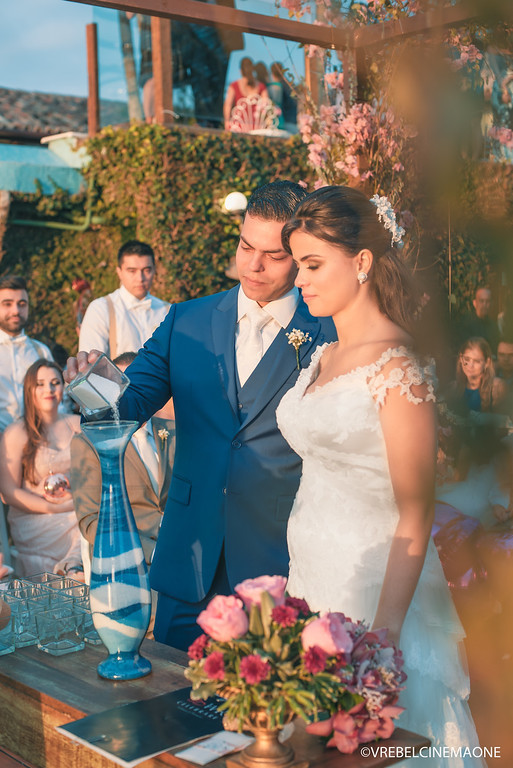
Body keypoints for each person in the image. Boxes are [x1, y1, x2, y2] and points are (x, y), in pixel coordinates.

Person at [66, 180, 336, 652]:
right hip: (187, 565)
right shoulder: (185, 321)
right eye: (245, 246)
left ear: (300, 255)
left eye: (273, 255)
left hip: (280, 566)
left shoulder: (328, 333)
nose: (252, 265)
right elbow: (125, 404)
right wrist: (88, 384)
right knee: (170, 692)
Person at [276, 186, 485, 767]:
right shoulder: (322, 355)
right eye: (298, 266)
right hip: (309, 578)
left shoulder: (398, 365)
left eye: (313, 265)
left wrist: (383, 638)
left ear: (362, 261)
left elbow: (417, 508)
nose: (299, 280)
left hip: (373, 592)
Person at [70, 351, 176, 571]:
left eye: (136, 385)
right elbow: (91, 521)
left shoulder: (173, 431)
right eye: (120, 385)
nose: (127, 393)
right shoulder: (89, 443)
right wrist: (152, 551)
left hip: (182, 551)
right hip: (127, 563)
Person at [0, 360, 83, 578]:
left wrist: (77, 502)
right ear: (29, 390)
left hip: (75, 505)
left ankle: (74, 567)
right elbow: (9, 493)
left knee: (94, 519)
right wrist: (59, 508)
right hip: (35, 517)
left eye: (55, 383)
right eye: (40, 384)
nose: (49, 389)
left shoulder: (77, 424)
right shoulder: (17, 432)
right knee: (83, 524)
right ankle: (73, 567)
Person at [78, 240, 170, 358]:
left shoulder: (167, 311)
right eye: (132, 271)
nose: (140, 278)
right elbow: (92, 363)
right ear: (119, 272)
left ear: (154, 270)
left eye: (146, 270)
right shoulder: (101, 309)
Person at [0, 275, 54, 434]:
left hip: (38, 439)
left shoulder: (41, 351)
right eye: (7, 304)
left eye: (22, 304)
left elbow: (59, 400)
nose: (16, 311)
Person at [446, 337, 507, 415]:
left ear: (487, 363)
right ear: (461, 359)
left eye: (477, 361)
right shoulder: (453, 388)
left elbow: (506, 419)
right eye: (467, 359)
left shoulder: (497, 388)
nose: (470, 365)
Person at [223, 57, 268, 130]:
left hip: (238, 127)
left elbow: (228, 105)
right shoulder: (261, 86)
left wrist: (227, 122)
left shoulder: (234, 85)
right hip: (257, 128)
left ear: (240, 71)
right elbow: (266, 106)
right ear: (253, 69)